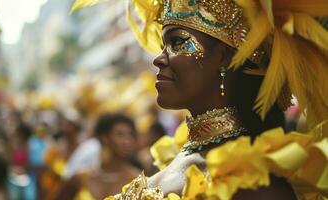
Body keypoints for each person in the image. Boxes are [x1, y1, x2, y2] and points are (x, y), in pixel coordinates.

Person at [72, 0, 328, 199]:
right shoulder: (176, 153)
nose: (159, 59)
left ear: (225, 57)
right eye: (163, 44)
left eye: (178, 43)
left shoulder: (252, 179)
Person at [53, 113, 140, 200]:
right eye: (120, 134)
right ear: (104, 138)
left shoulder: (136, 182)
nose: (127, 141)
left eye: (131, 135)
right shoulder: (81, 178)